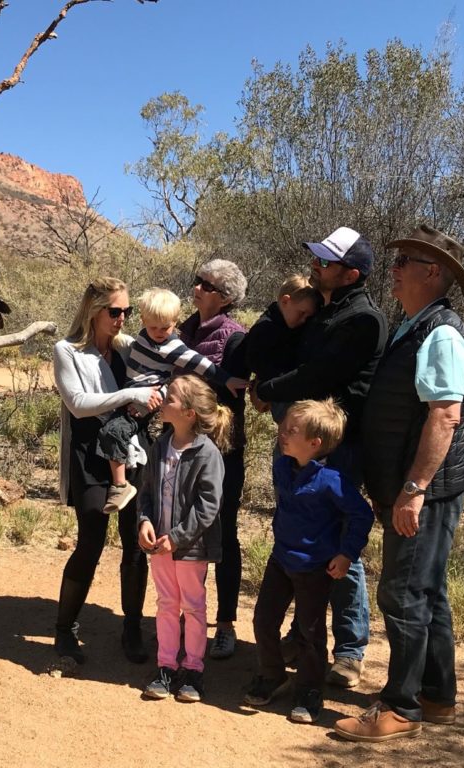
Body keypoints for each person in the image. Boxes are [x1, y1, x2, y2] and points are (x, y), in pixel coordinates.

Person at [335, 224, 464, 742]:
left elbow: (444, 416)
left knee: (404, 595)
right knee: (426, 592)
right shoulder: (414, 324)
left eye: (405, 262)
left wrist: (413, 489)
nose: (392, 270)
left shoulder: (440, 332)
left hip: (423, 492)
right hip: (410, 486)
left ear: (431, 272)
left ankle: (400, 708)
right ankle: (437, 696)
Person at [254, 227, 387, 687]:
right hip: (300, 441)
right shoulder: (325, 311)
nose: (316, 267)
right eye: (316, 260)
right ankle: (304, 636)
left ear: (350, 274)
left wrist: (268, 391)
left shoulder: (362, 320)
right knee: (302, 530)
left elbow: (317, 375)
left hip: (335, 449)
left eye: (326, 263)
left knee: (336, 544)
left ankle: (349, 650)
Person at [243, 399, 373, 724]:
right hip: (281, 559)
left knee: (310, 632)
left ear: (314, 444)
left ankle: (309, 689)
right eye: (283, 427)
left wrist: (346, 554)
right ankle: (273, 675)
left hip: (315, 568)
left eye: (291, 430)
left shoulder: (332, 480)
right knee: (263, 620)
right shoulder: (282, 466)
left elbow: (362, 514)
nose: (282, 434)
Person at [52, 278, 160, 665]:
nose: (122, 319)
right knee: (91, 541)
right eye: (115, 311)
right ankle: (64, 630)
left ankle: (132, 628)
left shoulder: (128, 349)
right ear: (93, 311)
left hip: (133, 454)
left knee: (135, 542)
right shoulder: (66, 351)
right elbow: (79, 403)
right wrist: (131, 395)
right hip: (89, 455)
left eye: (126, 312)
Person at [98, 288, 247, 514]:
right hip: (131, 395)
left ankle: (120, 485)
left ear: (175, 322)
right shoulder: (142, 335)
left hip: (143, 400)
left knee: (112, 431)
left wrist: (227, 380)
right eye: (153, 327)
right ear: (143, 320)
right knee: (118, 433)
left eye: (165, 327)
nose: (159, 332)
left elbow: (201, 364)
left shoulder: (173, 346)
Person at [138, 374, 230, 703]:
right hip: (160, 546)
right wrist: (145, 521)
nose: (164, 398)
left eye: (172, 397)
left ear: (189, 413)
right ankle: (165, 666)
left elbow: (208, 508)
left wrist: (177, 538)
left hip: (190, 549)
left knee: (192, 607)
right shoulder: (160, 445)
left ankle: (192, 669)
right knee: (165, 605)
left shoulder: (207, 454)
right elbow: (146, 492)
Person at [177, 260, 250, 661]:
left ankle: (224, 623)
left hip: (222, 449)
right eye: (198, 280)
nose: (198, 288)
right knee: (187, 530)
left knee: (222, 531)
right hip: (182, 445)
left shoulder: (235, 337)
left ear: (225, 298)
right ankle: (190, 616)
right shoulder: (180, 328)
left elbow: (233, 398)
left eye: (207, 285)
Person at [245, 274, 322, 421]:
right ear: (286, 301)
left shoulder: (291, 326)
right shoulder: (265, 329)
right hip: (276, 390)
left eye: (308, 317)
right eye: (302, 313)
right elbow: (255, 361)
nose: (304, 320)